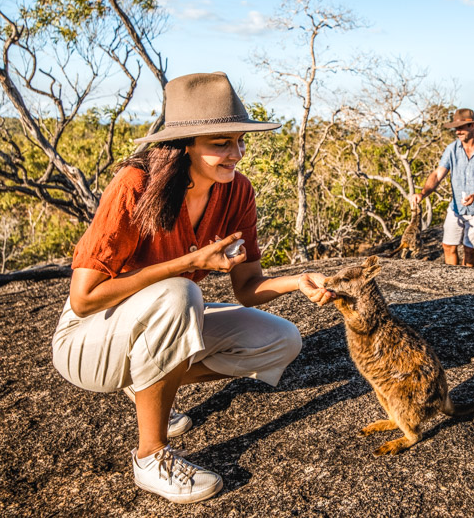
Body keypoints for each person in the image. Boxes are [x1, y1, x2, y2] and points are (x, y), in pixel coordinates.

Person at [51, 72, 335, 504]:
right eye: (221, 143)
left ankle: (146, 381)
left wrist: (298, 282)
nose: (236, 154)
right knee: (182, 292)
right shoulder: (136, 185)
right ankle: (151, 455)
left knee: (282, 340)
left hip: (158, 320)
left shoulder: (236, 192)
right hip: (88, 338)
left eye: (240, 141)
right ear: (184, 145)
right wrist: (189, 263)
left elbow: (248, 287)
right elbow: (84, 298)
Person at [413, 108, 474, 267]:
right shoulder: (451, 149)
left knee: (469, 250)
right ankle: (452, 280)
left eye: (461, 127)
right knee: (448, 246)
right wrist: (423, 193)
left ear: (472, 126)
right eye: (456, 128)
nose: (458, 131)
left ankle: (467, 284)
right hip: (456, 208)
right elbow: (437, 175)